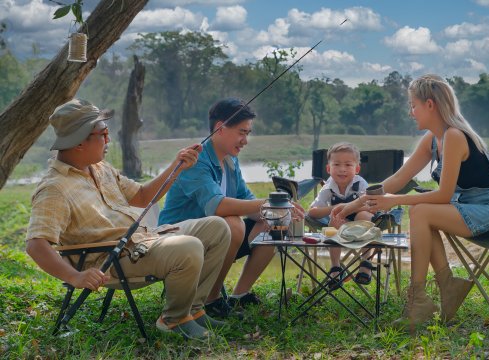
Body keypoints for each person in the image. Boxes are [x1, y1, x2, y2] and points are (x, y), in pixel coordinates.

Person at [333, 74, 489, 332]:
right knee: (420, 211)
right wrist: (351, 206)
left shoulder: (455, 136)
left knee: (420, 211)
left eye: (413, 105)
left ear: (430, 105)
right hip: (473, 206)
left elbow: (444, 195)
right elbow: (398, 178)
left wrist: (396, 201)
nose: (411, 112)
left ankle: (419, 302)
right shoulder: (432, 141)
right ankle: (446, 287)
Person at [25, 99, 231, 340]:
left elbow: (143, 196)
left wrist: (177, 166)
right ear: (80, 141)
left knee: (217, 228)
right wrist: (75, 276)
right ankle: (174, 320)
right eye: (103, 134)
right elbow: (36, 245)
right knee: (189, 247)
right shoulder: (54, 189)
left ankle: (193, 310)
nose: (109, 140)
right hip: (115, 260)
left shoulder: (100, 167)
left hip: (145, 241)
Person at [158, 98, 304, 318]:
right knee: (233, 223)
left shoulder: (230, 160)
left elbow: (247, 200)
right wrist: (268, 203)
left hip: (216, 238)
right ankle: (210, 300)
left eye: (248, 133)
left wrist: (278, 211)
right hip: (179, 239)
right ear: (220, 128)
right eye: (241, 132)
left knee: (272, 220)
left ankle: (239, 295)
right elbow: (216, 206)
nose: (245, 140)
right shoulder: (195, 161)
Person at [307, 142, 375, 289]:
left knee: (364, 214)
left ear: (357, 169)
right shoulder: (328, 187)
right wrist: (335, 208)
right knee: (333, 219)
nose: (342, 169)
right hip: (340, 223)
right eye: (336, 164)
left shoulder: (360, 184)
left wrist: (349, 208)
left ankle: (365, 262)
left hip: (360, 222)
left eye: (348, 165)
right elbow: (312, 211)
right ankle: (336, 267)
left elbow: (372, 205)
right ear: (328, 168)